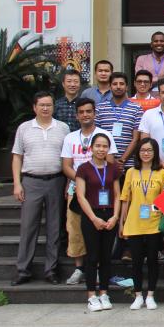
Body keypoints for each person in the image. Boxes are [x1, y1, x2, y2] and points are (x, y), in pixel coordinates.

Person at [10, 92, 69, 286]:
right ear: (34, 107)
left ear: (53, 107)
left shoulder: (63, 128)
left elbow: (67, 158)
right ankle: (23, 270)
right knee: (28, 227)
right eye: (42, 105)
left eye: (49, 105)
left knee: (54, 227)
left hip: (56, 180)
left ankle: (51, 270)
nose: (45, 108)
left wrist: (68, 182)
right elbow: (17, 156)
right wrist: (17, 183)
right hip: (31, 181)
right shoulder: (24, 128)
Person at [60, 98, 116, 287]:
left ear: (94, 113)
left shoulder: (104, 135)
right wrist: (83, 180)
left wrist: (92, 182)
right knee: (75, 229)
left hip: (101, 192)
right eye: (82, 112)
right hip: (76, 190)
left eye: (89, 111)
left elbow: (110, 163)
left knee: (99, 230)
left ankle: (98, 268)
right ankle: (79, 268)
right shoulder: (70, 138)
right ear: (77, 115)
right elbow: (66, 166)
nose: (85, 115)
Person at [74, 133, 121, 312]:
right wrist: (93, 218)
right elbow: (80, 196)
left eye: (105, 146)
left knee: (106, 256)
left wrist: (115, 217)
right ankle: (91, 295)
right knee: (92, 256)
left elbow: (117, 195)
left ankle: (104, 293)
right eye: (98, 146)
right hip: (91, 215)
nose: (101, 149)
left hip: (109, 215)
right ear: (91, 147)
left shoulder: (113, 168)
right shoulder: (83, 169)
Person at [118, 138, 164, 310]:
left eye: (149, 150)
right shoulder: (131, 172)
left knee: (152, 260)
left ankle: (151, 295)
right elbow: (125, 199)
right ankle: (138, 295)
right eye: (143, 150)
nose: (146, 153)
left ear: (155, 153)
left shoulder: (161, 173)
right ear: (138, 153)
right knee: (136, 261)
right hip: (134, 223)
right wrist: (121, 223)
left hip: (154, 223)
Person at [96, 72, 143, 170]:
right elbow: (96, 137)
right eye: (115, 84)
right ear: (110, 87)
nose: (118, 87)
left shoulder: (137, 109)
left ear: (127, 87)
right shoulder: (100, 108)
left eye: (121, 84)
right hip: (104, 163)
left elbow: (136, 139)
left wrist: (122, 160)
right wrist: (111, 160)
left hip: (129, 164)